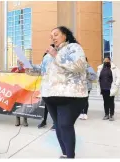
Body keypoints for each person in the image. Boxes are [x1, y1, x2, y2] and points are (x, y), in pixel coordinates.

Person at [26, 26, 88, 158]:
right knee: (58, 126)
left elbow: (78, 66)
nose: (53, 37)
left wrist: (55, 54)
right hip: (50, 96)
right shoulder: (49, 55)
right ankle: (65, 154)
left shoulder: (74, 48)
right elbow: (42, 71)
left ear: (65, 35)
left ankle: (70, 156)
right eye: (51, 36)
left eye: (56, 34)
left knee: (65, 125)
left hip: (70, 95)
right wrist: (27, 67)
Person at [97, 56, 120, 121]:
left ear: (110, 61)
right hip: (103, 88)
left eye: (107, 60)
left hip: (111, 88)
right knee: (105, 101)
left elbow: (119, 77)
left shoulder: (114, 67)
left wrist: (116, 84)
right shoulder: (100, 68)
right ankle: (106, 114)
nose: (105, 61)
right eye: (104, 60)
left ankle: (111, 115)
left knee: (111, 101)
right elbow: (98, 77)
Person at [37, 52, 55, 130]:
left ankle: (55, 123)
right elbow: (39, 69)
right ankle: (44, 121)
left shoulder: (55, 62)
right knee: (45, 106)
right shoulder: (44, 63)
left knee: (53, 106)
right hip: (44, 88)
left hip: (53, 88)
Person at [11, 60, 28, 127]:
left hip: (24, 90)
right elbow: (10, 77)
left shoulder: (25, 70)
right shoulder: (14, 69)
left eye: (21, 63)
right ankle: (17, 119)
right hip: (16, 90)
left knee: (24, 105)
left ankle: (25, 119)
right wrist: (17, 71)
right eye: (19, 63)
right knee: (17, 105)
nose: (20, 64)